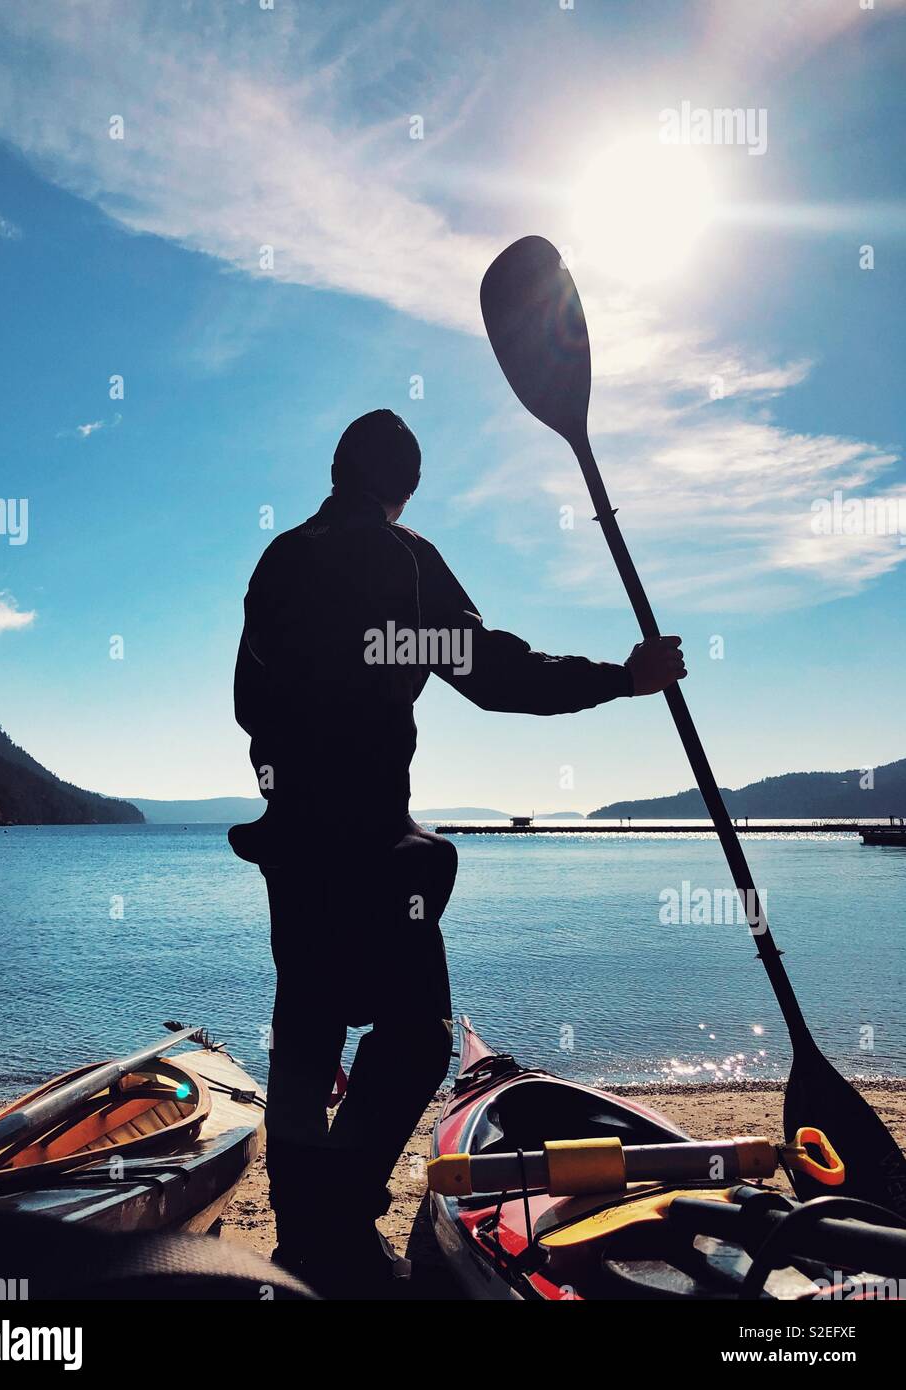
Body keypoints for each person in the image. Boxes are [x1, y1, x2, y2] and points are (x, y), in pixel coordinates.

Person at [231, 409, 686, 1296]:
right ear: (404, 487)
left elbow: (251, 702)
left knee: (306, 1033)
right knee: (413, 1037)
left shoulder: (279, 559)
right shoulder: (398, 559)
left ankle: (299, 1234)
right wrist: (622, 679)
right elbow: (493, 676)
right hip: (366, 839)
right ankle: (338, 1220)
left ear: (335, 471)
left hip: (290, 842)